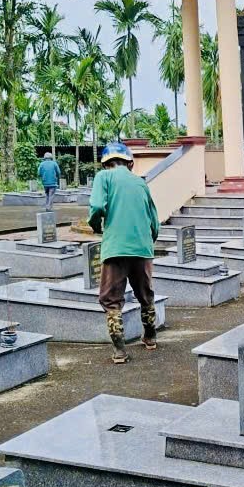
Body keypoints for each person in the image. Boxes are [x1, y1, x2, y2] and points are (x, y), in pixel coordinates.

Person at [88, 142, 160, 364]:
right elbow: (154, 220)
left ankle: (120, 351)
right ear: (130, 163)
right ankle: (150, 337)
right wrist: (147, 241)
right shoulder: (141, 183)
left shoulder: (103, 177)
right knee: (145, 294)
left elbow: (97, 207)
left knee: (111, 300)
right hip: (142, 248)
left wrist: (96, 226)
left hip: (115, 248)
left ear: (105, 163)